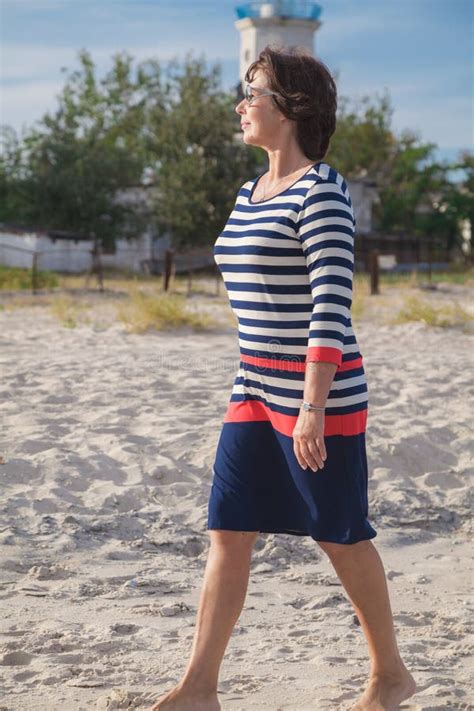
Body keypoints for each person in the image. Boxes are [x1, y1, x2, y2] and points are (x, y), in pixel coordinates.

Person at [150, 46, 416, 711]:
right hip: (251, 388)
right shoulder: (248, 192)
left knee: (340, 530)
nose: (242, 105)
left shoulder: (322, 189)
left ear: (292, 107)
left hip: (317, 397)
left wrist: (312, 406)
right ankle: (199, 687)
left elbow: (332, 299)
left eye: (254, 92)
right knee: (228, 528)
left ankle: (390, 673)